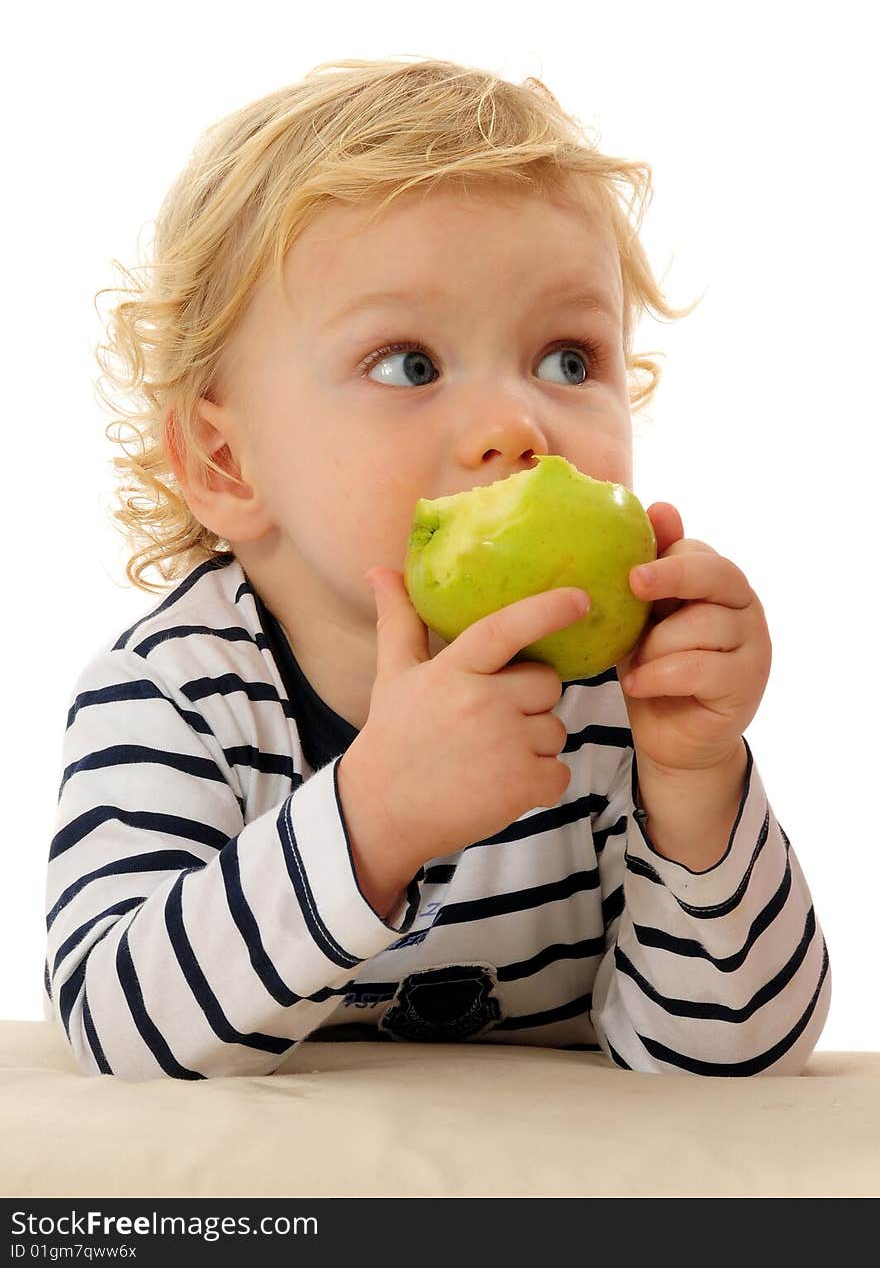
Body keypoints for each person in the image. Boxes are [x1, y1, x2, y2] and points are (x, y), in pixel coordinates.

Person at [45, 56, 830, 1080]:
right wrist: (373, 817)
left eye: (567, 359)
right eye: (409, 364)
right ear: (225, 463)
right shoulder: (176, 695)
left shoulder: (607, 699)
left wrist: (697, 786)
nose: (517, 424)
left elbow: (727, 1061)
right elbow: (120, 1031)